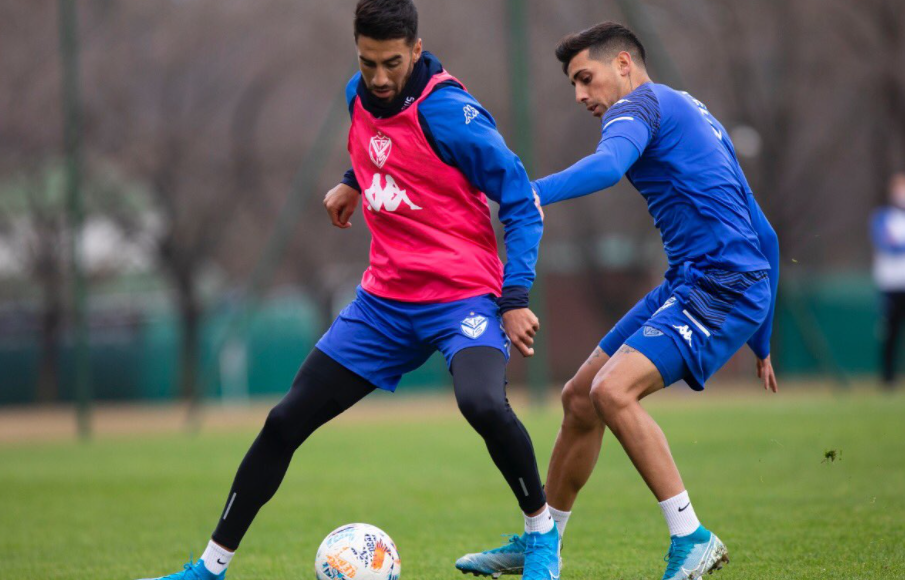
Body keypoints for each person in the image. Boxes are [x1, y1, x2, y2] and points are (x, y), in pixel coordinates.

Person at [136, 1, 560, 579]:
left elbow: (521, 201)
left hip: (461, 296)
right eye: (367, 63)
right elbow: (379, 146)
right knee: (284, 422)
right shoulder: (356, 95)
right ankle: (208, 569)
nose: (379, 78)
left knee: (482, 403)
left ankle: (541, 536)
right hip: (383, 304)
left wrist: (514, 299)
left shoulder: (453, 114)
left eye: (391, 63)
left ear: (416, 49)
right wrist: (351, 182)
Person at [456, 22, 780, 580]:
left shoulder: (638, 108)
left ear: (624, 64)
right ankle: (543, 542)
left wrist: (529, 192)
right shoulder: (692, 109)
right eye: (574, 85)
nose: (582, 95)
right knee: (580, 397)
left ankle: (691, 536)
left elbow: (607, 168)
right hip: (699, 281)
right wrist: (764, 339)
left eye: (587, 78)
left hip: (721, 284)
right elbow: (766, 233)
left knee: (612, 391)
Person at [870, 173, 905, 388]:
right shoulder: (882, 217)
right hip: (890, 284)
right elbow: (886, 244)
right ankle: (888, 378)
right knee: (890, 333)